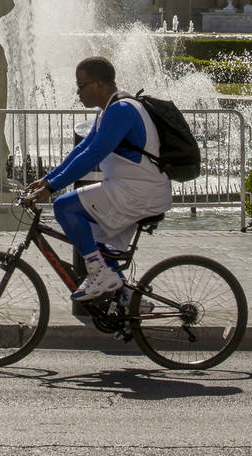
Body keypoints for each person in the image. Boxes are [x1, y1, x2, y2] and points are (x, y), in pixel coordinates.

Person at [23, 56, 171, 301]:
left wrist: (52, 189)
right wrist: (46, 179)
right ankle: (130, 299)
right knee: (95, 243)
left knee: (65, 208)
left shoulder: (122, 111)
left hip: (138, 192)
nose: (77, 92)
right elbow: (81, 150)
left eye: (82, 85)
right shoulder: (108, 111)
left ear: (100, 85)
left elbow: (93, 155)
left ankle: (100, 275)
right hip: (130, 190)